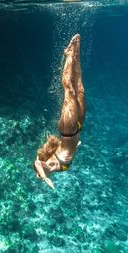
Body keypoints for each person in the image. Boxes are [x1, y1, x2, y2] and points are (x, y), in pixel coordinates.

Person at [33, 34, 86, 189]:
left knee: (69, 90)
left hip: (68, 129)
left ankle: (69, 53)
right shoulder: (53, 164)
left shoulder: (49, 166)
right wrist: (77, 145)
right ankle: (76, 54)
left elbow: (37, 162)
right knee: (80, 90)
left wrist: (44, 179)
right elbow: (69, 151)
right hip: (78, 127)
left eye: (38, 174)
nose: (39, 175)